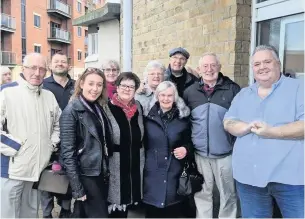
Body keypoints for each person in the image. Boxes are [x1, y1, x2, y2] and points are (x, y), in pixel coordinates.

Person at [224, 45, 304, 218]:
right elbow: (228, 121)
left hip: (290, 178)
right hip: (248, 177)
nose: (262, 67)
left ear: (278, 64)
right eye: (257, 64)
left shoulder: (299, 88)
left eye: (267, 61)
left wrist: (273, 132)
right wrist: (244, 127)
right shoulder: (243, 94)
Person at [0, 53, 61, 218]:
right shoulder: (6, 92)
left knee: (30, 213)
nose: (37, 72)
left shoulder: (48, 96)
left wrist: (51, 144)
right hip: (13, 169)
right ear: (23, 69)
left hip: (37, 169)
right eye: (33, 68)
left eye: (42, 69)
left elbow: (59, 124)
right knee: (8, 214)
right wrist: (16, 147)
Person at [183, 52, 240, 218]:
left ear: (219, 67)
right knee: (202, 193)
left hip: (225, 154)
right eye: (205, 66)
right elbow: (185, 121)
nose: (209, 69)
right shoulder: (190, 92)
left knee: (228, 194)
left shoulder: (233, 89)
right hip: (200, 155)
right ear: (199, 70)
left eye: (213, 65)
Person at [60, 68, 112, 218]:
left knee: (82, 214)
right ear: (81, 83)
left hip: (99, 171)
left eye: (99, 85)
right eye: (91, 84)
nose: (95, 89)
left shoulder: (98, 107)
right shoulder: (71, 111)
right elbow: (67, 153)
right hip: (85, 174)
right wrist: (77, 188)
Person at [142, 81, 191, 218]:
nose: (166, 99)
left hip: (174, 172)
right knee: (152, 211)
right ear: (157, 96)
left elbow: (191, 141)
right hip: (151, 173)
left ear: (175, 97)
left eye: (170, 95)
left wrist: (186, 149)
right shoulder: (146, 116)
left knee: (172, 210)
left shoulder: (183, 117)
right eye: (162, 95)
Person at [103, 72, 144, 218]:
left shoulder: (138, 107)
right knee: (115, 204)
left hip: (136, 161)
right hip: (116, 162)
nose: (127, 89)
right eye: (124, 85)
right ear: (117, 87)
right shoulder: (106, 107)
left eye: (131, 87)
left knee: (130, 201)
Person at [41, 52, 74, 218]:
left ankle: (65, 212)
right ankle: (47, 214)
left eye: (63, 61)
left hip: (71, 141)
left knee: (67, 179)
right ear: (50, 65)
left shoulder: (76, 86)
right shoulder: (43, 85)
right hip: (48, 140)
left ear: (68, 65)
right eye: (56, 61)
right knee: (45, 180)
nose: (60, 64)